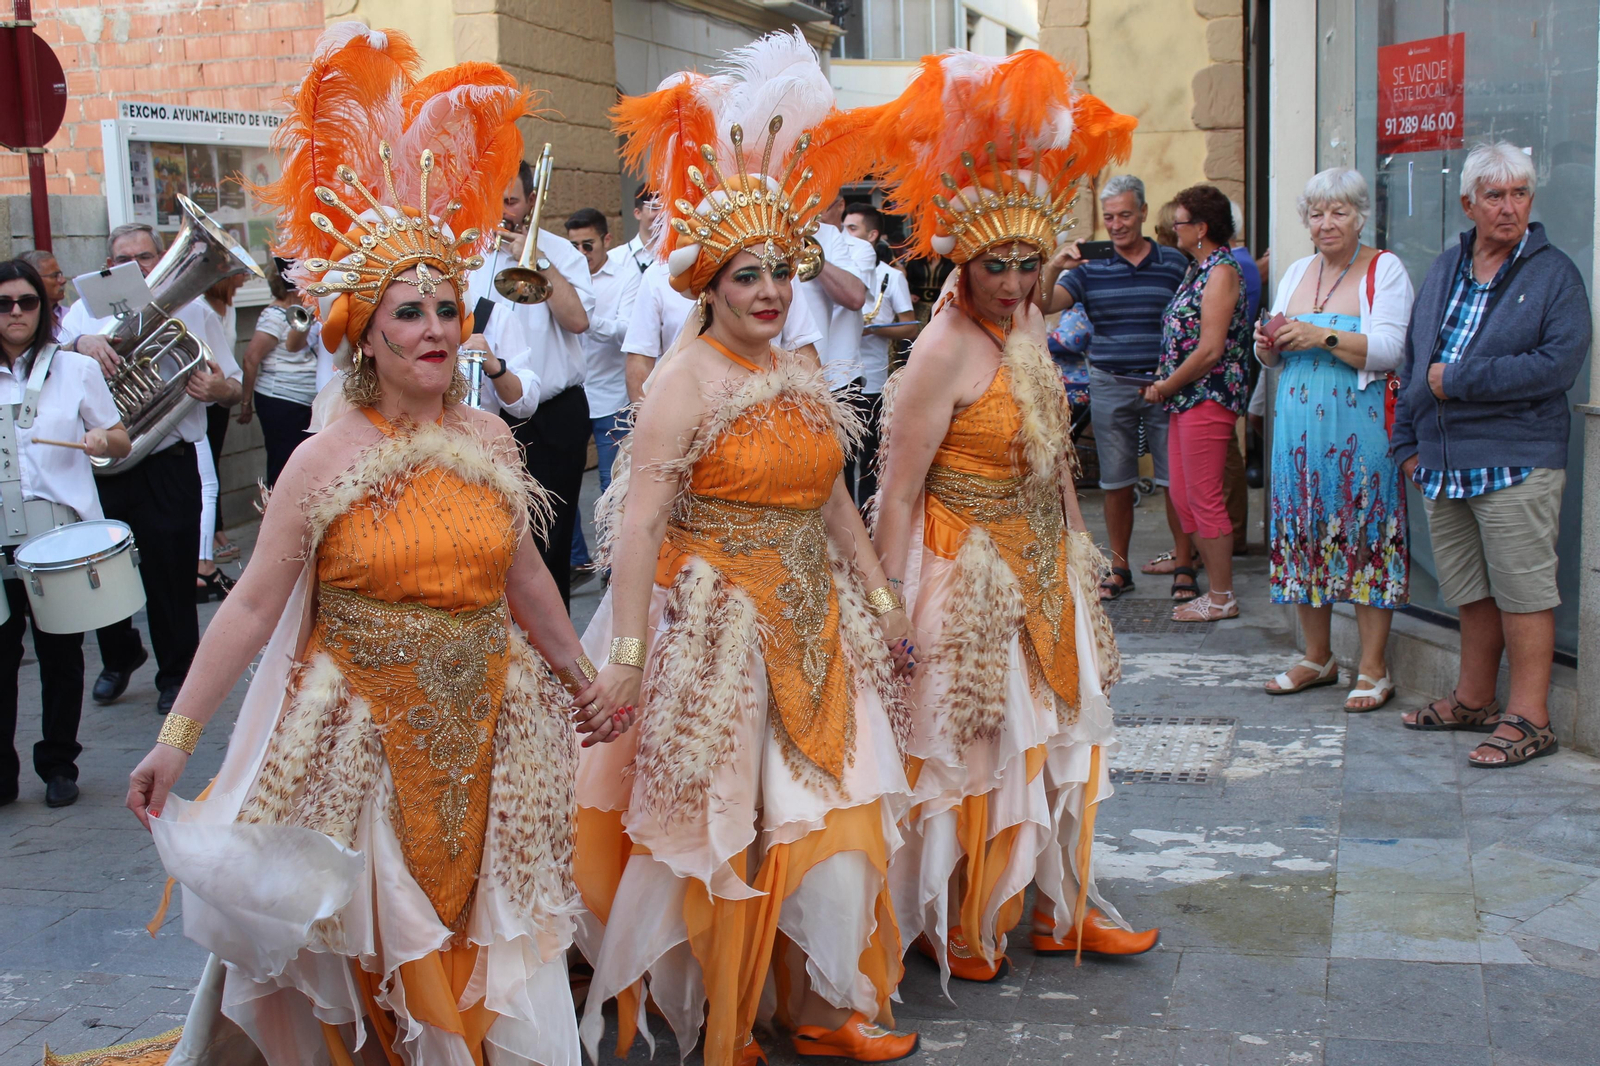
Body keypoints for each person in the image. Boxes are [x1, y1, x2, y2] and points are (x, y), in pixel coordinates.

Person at [119, 26, 621, 1065]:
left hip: (488, 731)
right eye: (410, 312)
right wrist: (176, 735)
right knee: (372, 972)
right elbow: (254, 606)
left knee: (494, 958)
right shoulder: (323, 457)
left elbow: (523, 574)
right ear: (365, 331)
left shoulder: (487, 435)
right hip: (362, 748)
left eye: (447, 307)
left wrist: (581, 678)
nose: (437, 328)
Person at [578, 32, 919, 1065]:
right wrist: (631, 657)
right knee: (734, 826)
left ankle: (818, 1008)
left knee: (830, 817)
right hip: (717, 630)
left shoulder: (805, 363)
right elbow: (638, 523)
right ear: (709, 284)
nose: (768, 291)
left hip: (813, 624)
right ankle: (728, 1025)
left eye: (780, 271)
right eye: (745, 276)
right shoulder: (685, 379)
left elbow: (832, 501)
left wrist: (879, 597)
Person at [869, 47, 1157, 990]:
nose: (1014, 281)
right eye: (998, 264)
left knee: (1070, 735)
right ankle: (963, 919)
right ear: (964, 259)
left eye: (1030, 265)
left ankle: (1062, 908)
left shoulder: (1029, 325)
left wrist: (1077, 541)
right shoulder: (937, 354)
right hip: (962, 572)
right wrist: (887, 606)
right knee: (979, 747)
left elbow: (1051, 448)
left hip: (1041, 561)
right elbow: (898, 491)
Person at [1392, 141, 1591, 767]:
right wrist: (1405, 446)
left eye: (1520, 194)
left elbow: (1557, 366)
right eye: (1496, 195)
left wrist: (1463, 380)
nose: (1510, 208)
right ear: (1468, 203)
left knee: (1524, 594)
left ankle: (1531, 718)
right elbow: (1414, 362)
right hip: (1444, 463)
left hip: (1517, 459)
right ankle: (1474, 699)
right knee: (1470, 593)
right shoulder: (1446, 267)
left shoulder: (1553, 273)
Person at [57, 222, 245, 713]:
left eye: (146, 256)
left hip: (167, 460)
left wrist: (217, 391)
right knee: (102, 571)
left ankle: (176, 674)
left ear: (162, 259)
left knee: (171, 576)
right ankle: (119, 656)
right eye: (126, 258)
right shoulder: (80, 314)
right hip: (102, 465)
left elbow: (235, 384)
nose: (138, 265)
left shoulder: (194, 310)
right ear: (108, 267)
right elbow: (47, 366)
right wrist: (78, 347)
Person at [1256, 167, 1414, 711]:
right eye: (1317, 213)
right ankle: (1317, 657)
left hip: (1360, 426)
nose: (1327, 223)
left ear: (1360, 215)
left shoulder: (1384, 268)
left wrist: (1321, 333)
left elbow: (1392, 350)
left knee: (1366, 533)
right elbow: (1274, 353)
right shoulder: (1297, 268)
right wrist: (1267, 345)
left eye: (1339, 212)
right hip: (1297, 425)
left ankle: (1373, 666)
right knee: (1303, 532)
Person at [0, 259, 131, 809]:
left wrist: (103, 441)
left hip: (59, 537)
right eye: (4, 303)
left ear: (44, 308)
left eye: (27, 302)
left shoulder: (74, 370)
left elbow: (121, 438)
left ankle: (59, 763)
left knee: (61, 656)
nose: (15, 313)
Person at [1041, 175, 1195, 601]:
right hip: (1110, 382)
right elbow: (1040, 305)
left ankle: (1185, 564)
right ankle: (1120, 567)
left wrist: (1174, 379)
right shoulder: (1087, 269)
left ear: (1144, 212)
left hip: (1166, 385)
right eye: (1109, 217)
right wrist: (1056, 265)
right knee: (1116, 482)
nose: (1117, 224)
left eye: (1125, 214)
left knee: (1173, 480)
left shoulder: (1174, 263)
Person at [466, 157, 595, 607]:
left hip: (553, 415)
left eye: (511, 201)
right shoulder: (470, 252)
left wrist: (535, 258)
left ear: (532, 201)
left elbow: (577, 320)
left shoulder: (560, 253)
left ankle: (552, 655)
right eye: (493, 201)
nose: (502, 211)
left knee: (549, 538)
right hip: (488, 413)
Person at [1144, 184, 1251, 622]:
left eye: (1182, 221)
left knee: (1204, 498)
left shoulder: (1221, 271)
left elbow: (1209, 350)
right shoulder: (1198, 268)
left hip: (1207, 396)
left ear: (1202, 228)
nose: (1175, 228)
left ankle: (1222, 597)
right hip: (1184, 397)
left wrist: (1167, 384)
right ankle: (1217, 591)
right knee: (1185, 498)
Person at [566, 206, 642, 573]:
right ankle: (579, 560)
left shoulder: (627, 275)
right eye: (575, 245)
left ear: (606, 240)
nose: (582, 253)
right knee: (563, 482)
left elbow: (628, 331)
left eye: (588, 245)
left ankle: (615, 565)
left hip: (610, 394)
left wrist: (583, 320)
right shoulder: (564, 276)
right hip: (572, 393)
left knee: (611, 485)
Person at [842, 201, 919, 507]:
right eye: (843, 227)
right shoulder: (835, 274)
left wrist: (872, 329)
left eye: (852, 228)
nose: (844, 234)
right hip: (841, 384)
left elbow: (910, 327)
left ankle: (871, 532)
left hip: (874, 383)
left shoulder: (892, 277)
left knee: (872, 465)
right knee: (842, 466)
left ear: (872, 235)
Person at [236, 260, 317, 488]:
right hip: (281, 400)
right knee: (283, 466)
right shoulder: (273, 316)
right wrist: (245, 404)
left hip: (303, 401)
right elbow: (250, 359)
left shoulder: (305, 311)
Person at [195, 274, 247, 601]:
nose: (242, 279)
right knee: (206, 477)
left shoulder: (227, 309)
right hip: (198, 397)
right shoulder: (199, 306)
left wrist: (227, 390)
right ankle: (205, 555)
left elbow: (230, 365)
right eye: (236, 275)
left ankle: (210, 544)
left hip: (217, 394)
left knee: (211, 474)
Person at [17, 249, 66, 336]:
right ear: (33, 279)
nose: (63, 280)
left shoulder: (74, 314)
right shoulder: (18, 322)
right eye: (55, 276)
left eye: (60, 274)